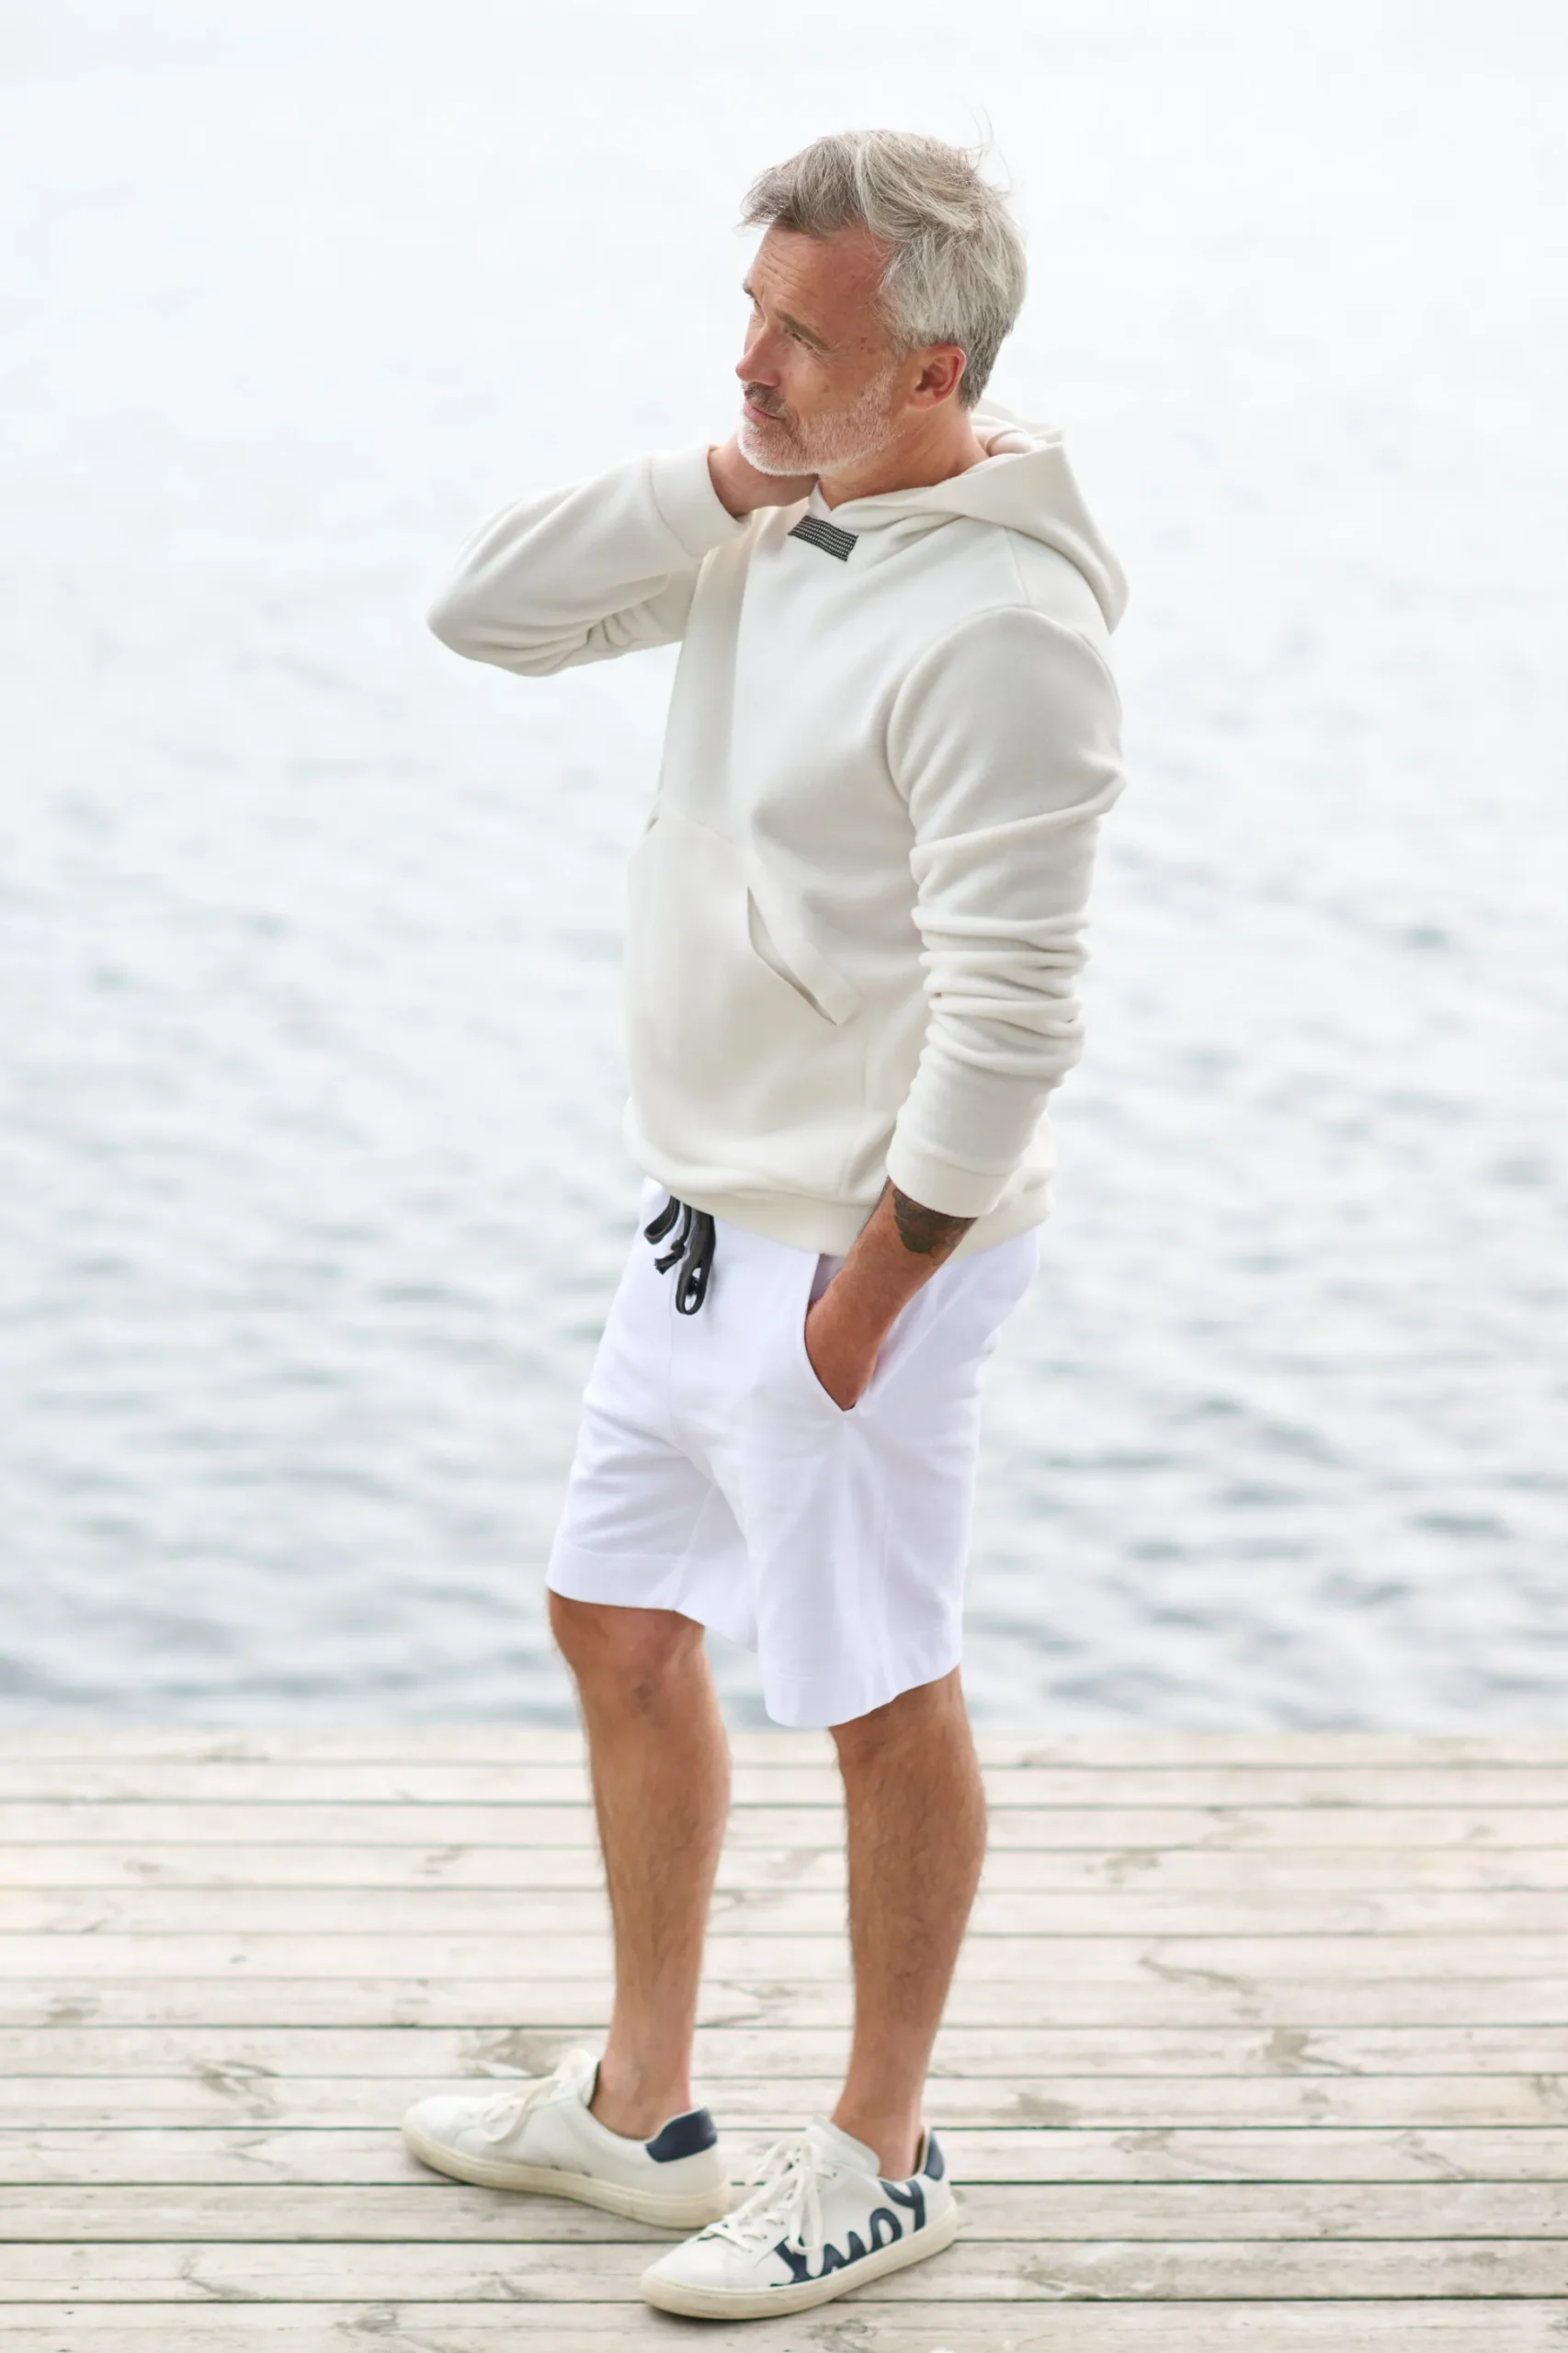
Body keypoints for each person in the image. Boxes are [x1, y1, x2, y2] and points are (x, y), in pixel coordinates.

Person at [402, 127, 1127, 2323]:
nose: (752, 363)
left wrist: (869, 1298)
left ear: (931, 371)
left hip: (855, 1251)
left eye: (799, 340)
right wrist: (733, 476)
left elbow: (1017, 1011)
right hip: (703, 1212)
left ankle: (883, 2156)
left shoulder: (1005, 628)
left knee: (877, 1686)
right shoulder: (778, 517)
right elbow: (484, 611)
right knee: (616, 1618)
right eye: (750, 317)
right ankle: (643, 2113)